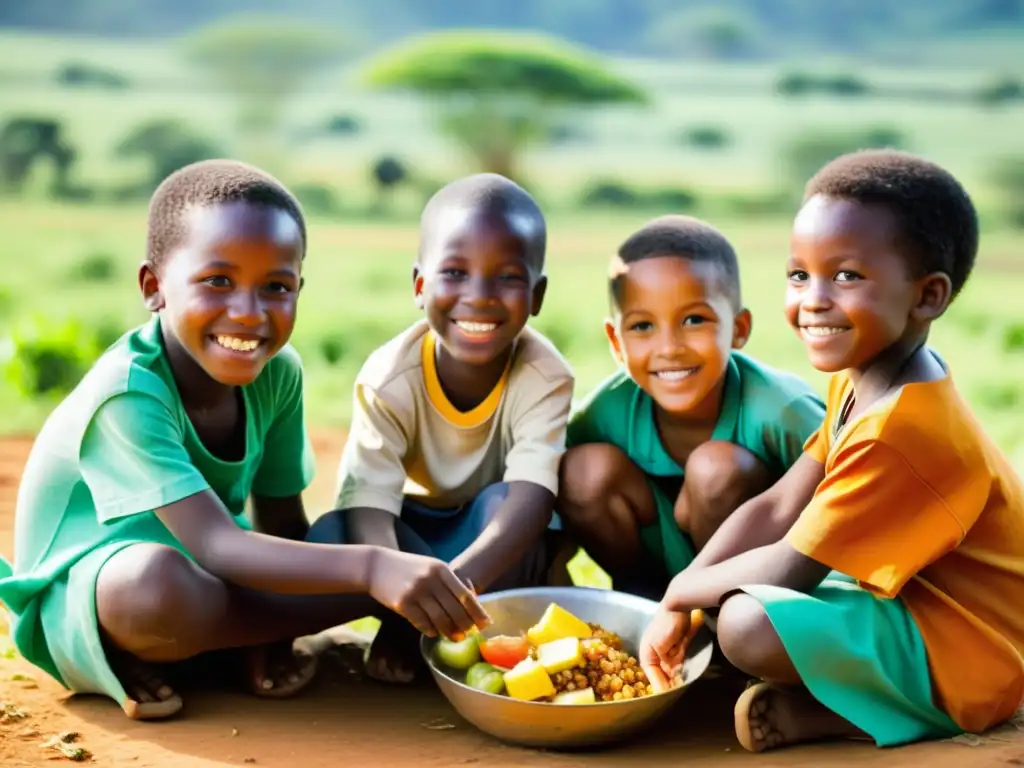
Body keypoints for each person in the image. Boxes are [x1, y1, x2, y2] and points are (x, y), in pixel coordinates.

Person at [0, 160, 487, 721]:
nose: (248, 314)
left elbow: (282, 521)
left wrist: (312, 606)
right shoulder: (128, 392)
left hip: (217, 580)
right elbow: (215, 545)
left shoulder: (278, 373)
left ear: (298, 289)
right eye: (217, 282)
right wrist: (375, 574)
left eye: (276, 287)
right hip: (100, 598)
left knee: (345, 531)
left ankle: (232, 645)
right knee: (158, 589)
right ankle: (196, 646)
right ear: (154, 287)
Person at [639, 149, 1024, 753]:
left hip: (979, 654)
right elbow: (779, 503)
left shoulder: (903, 428)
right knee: (725, 596)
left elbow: (792, 565)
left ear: (927, 297)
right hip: (911, 610)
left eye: (846, 276)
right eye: (800, 275)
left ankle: (920, 710)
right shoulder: (866, 375)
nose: (813, 299)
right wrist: (688, 584)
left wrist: (679, 595)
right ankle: (827, 710)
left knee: (746, 621)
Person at [307, 173, 574, 684]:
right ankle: (407, 627)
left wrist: (451, 590)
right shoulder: (388, 378)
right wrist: (405, 595)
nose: (479, 296)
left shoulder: (545, 374)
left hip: (492, 546)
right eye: (455, 272)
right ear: (419, 285)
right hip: (417, 535)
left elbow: (532, 498)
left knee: (505, 508)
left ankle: (452, 630)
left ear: (537, 295)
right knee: (335, 533)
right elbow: (369, 503)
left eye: (508, 277)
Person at [556, 215, 825, 597]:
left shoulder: (784, 410)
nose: (669, 348)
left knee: (716, 470)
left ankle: (721, 619)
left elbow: (854, 494)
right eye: (642, 326)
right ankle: (641, 601)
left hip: (757, 581)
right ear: (616, 342)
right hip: (652, 572)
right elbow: (554, 503)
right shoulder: (604, 412)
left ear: (739, 329)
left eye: (694, 319)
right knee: (581, 470)